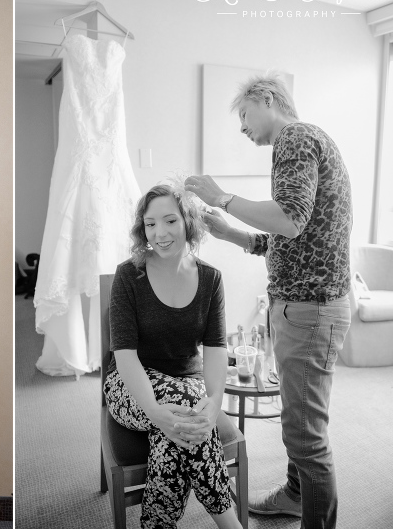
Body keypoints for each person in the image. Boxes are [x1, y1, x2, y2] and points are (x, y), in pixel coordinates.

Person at [185, 72, 352, 528]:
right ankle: (296, 497)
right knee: (299, 422)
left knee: (306, 437)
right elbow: (287, 240)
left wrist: (222, 197)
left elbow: (291, 220)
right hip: (306, 305)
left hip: (310, 310)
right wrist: (230, 230)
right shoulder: (300, 142)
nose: (241, 127)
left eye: (243, 114)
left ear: (266, 98)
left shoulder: (295, 138)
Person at [105, 183, 242, 529]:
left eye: (169, 221)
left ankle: (157, 524)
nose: (160, 234)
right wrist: (154, 411)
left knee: (175, 432)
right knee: (184, 417)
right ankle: (231, 524)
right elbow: (124, 356)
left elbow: (215, 349)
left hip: (187, 383)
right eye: (151, 224)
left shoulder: (210, 279)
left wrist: (214, 400)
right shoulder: (128, 275)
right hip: (128, 384)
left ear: (188, 222)